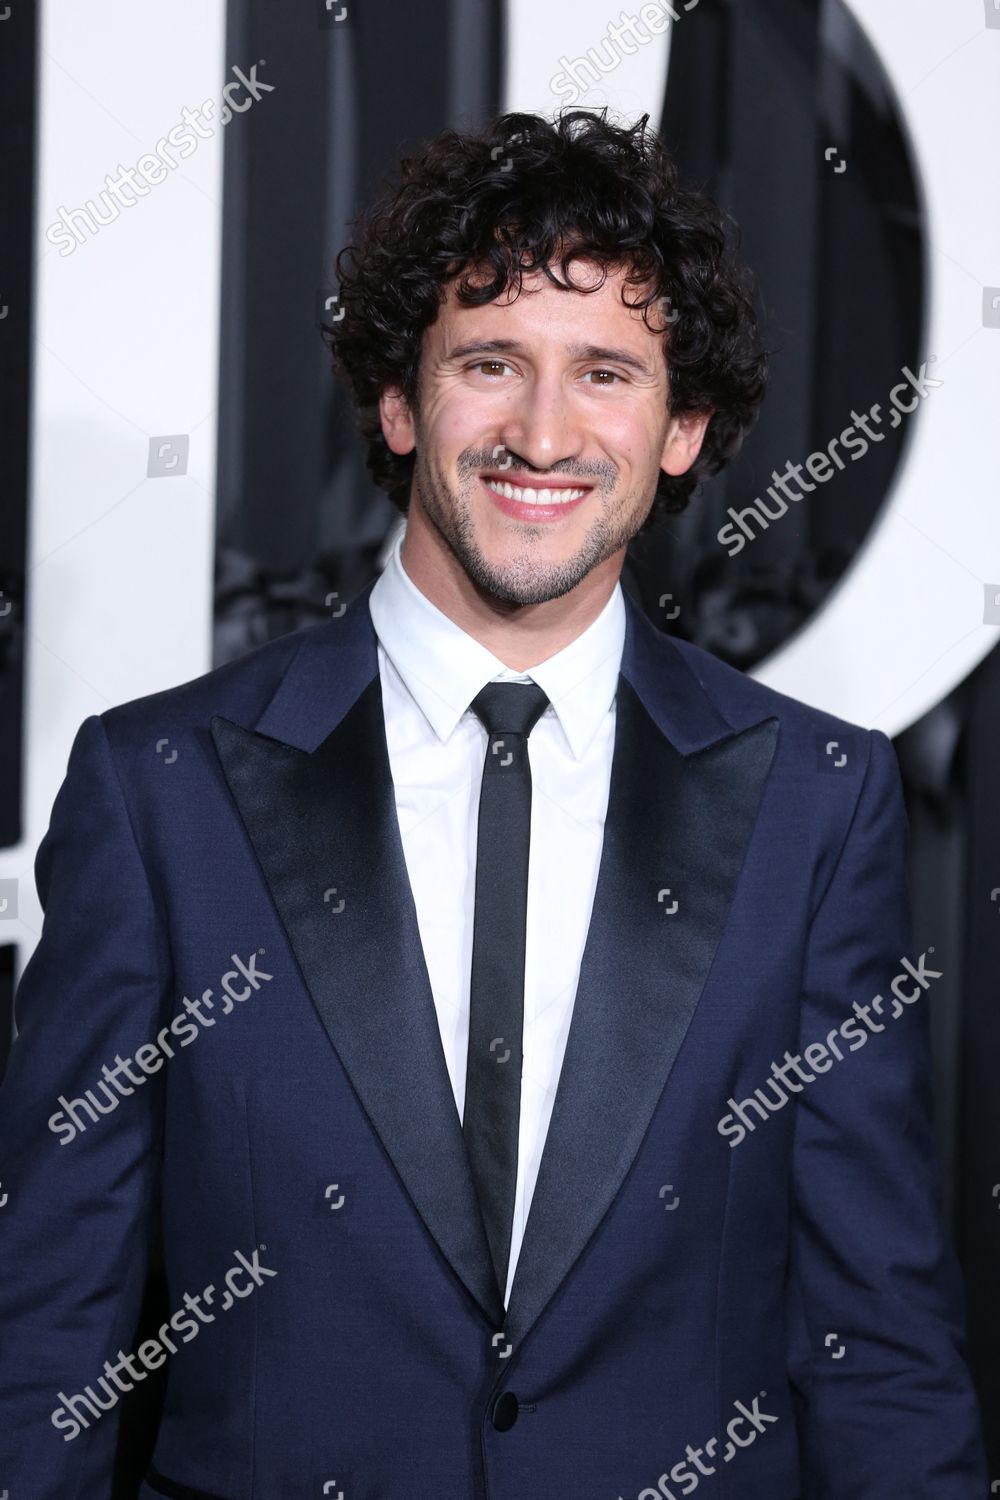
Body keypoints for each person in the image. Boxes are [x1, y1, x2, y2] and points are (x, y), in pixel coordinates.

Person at [0, 108, 987, 1499]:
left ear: (685, 427)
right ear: (400, 403)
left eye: (606, 373)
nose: (543, 430)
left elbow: (877, 1339)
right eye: (488, 362)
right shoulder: (160, 789)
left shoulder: (816, 805)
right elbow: (48, 1326)